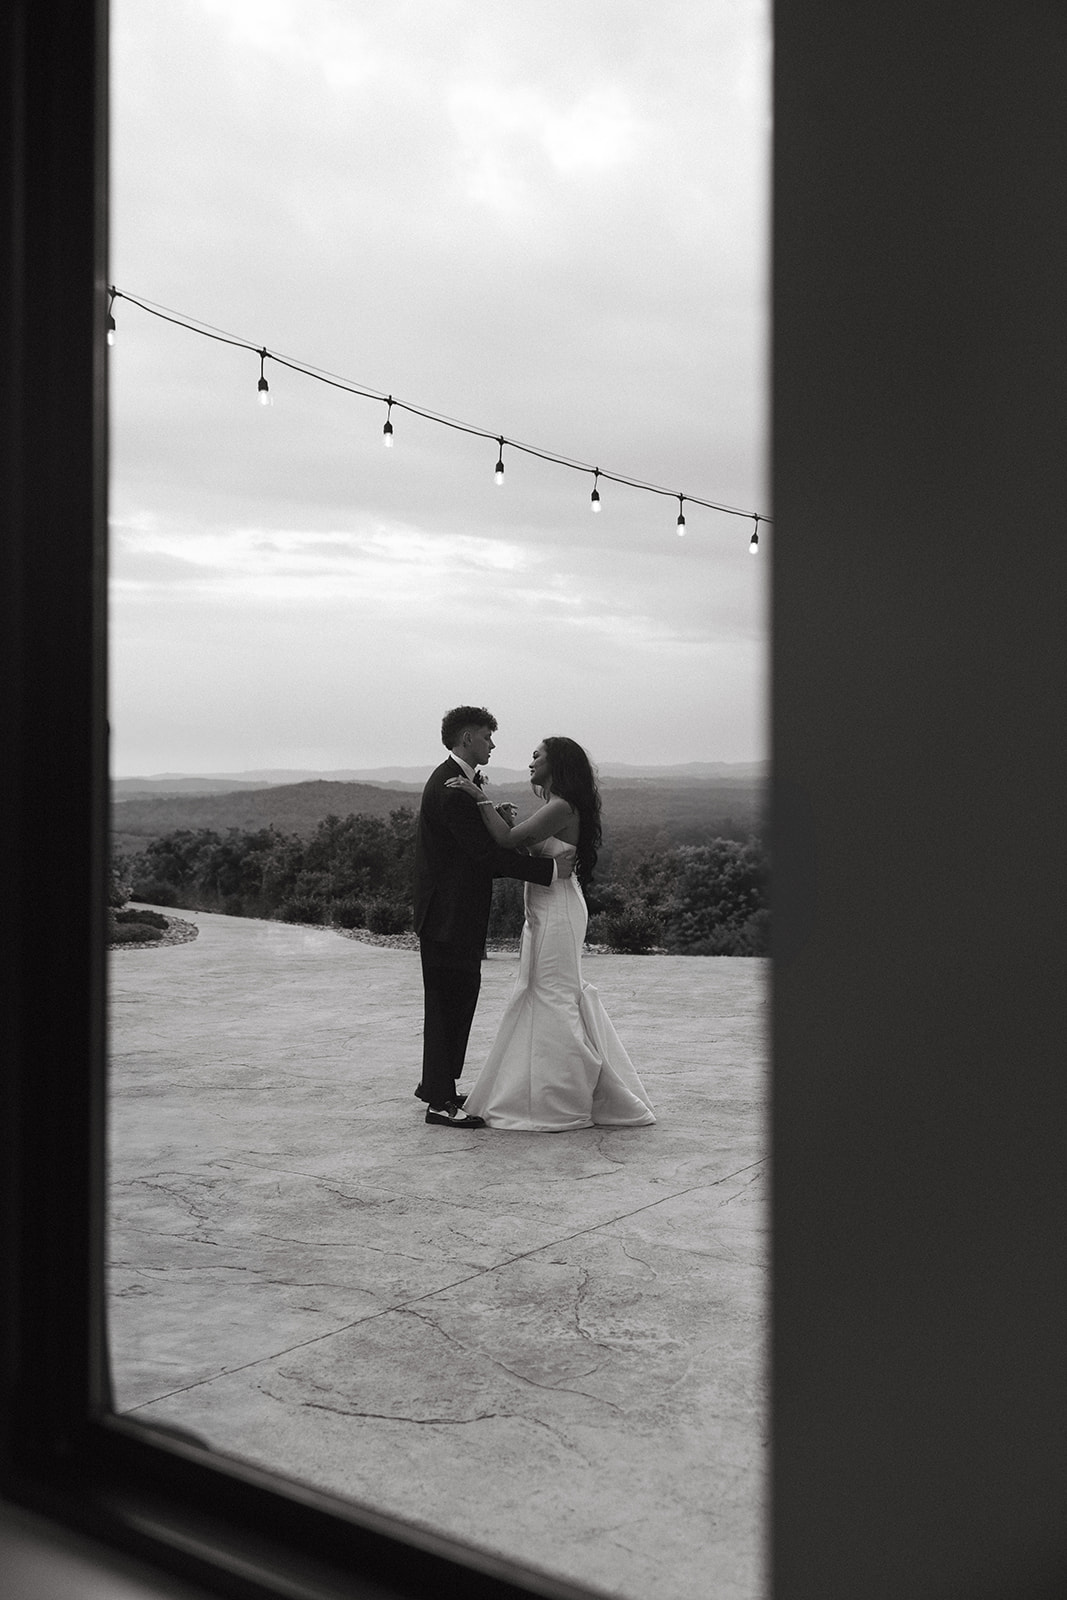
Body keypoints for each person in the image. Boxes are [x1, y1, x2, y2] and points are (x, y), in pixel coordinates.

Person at [445, 737, 656, 1131]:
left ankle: (564, 1097)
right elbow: (527, 847)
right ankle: (551, 1090)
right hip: (546, 906)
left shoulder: (560, 806)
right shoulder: (555, 806)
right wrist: (508, 819)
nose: (530, 761)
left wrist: (478, 796)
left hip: (557, 909)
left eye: (536, 755)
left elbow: (509, 843)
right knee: (546, 991)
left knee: (554, 995)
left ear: (555, 763)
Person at [413, 707, 575, 1129]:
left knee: (457, 1001)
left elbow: (478, 843)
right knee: (449, 1004)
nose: (492, 745)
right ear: (467, 738)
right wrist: (548, 872)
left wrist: (493, 813)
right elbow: (484, 857)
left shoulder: (460, 783)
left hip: (453, 914)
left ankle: (440, 1089)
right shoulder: (452, 789)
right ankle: (440, 1103)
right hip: (448, 916)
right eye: (487, 737)